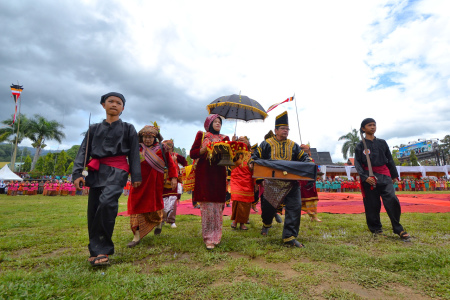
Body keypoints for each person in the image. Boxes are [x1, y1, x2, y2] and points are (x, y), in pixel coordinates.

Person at [72, 92, 142, 267]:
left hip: (118, 170)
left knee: (106, 204)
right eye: (110, 101)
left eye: (118, 103)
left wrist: (136, 176)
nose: (114, 104)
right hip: (96, 171)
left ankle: (103, 249)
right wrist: (77, 173)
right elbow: (83, 151)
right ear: (103, 105)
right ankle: (95, 251)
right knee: (94, 209)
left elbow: (134, 153)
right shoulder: (94, 129)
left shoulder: (128, 128)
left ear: (123, 108)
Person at [252, 111, 312, 248]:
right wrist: (256, 171)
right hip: (272, 183)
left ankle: (289, 237)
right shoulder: (266, 143)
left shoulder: (293, 145)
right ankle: (267, 224)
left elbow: (304, 157)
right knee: (268, 209)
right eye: (283, 129)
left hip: (291, 183)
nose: (286, 131)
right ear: (276, 130)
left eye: (287, 129)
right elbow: (255, 157)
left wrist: (308, 161)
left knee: (295, 208)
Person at [354, 118, 411, 241]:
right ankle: (376, 230)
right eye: (369, 125)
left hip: (385, 176)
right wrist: (365, 177)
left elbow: (389, 159)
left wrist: (394, 175)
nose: (373, 127)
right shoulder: (360, 145)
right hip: (369, 177)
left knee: (392, 199)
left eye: (374, 125)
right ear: (363, 129)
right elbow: (357, 164)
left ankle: (398, 228)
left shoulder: (382, 142)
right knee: (372, 204)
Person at [126, 125, 178, 247]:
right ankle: (136, 235)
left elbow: (171, 164)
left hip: (155, 182)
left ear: (155, 138)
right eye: (145, 137)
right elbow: (130, 164)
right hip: (138, 182)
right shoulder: (136, 148)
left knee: (154, 206)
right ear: (141, 137)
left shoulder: (162, 149)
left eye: (150, 137)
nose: (147, 139)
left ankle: (159, 221)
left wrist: (174, 177)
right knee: (135, 205)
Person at [190, 114, 230, 250]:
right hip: (204, 175)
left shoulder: (225, 138)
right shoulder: (201, 136)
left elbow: (229, 157)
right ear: (208, 123)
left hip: (219, 175)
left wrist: (233, 147)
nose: (218, 123)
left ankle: (217, 236)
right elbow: (192, 153)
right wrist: (204, 149)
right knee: (207, 207)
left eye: (220, 122)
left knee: (218, 207)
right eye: (215, 121)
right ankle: (208, 238)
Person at [161, 139, 188, 228]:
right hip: (162, 181)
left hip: (173, 180)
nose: (167, 149)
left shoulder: (176, 155)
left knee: (172, 200)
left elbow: (185, 163)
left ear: (172, 147)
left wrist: (184, 172)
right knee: (163, 201)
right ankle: (162, 219)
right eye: (165, 147)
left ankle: (172, 221)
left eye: (169, 147)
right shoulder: (160, 156)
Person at [230, 136, 253, 230]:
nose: (242, 143)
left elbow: (254, 168)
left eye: (244, 141)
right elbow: (232, 161)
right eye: (240, 141)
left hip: (248, 181)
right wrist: (233, 142)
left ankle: (242, 223)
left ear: (248, 143)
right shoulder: (235, 153)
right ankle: (235, 221)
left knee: (246, 203)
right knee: (236, 200)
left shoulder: (251, 155)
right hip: (236, 180)